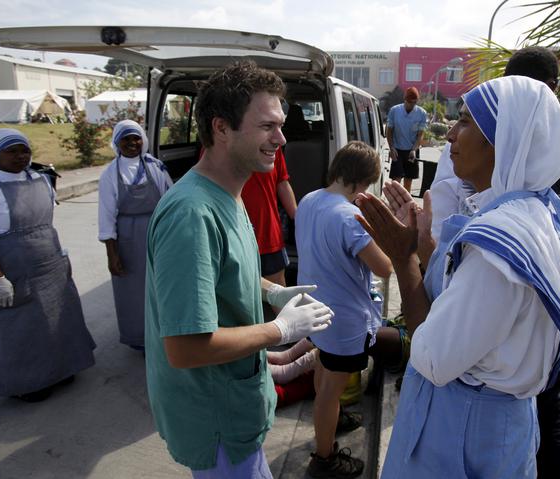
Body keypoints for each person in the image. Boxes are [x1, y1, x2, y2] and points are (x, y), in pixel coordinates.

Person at [357, 75, 560, 477]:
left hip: (464, 433)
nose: (450, 135)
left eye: (465, 122)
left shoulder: (501, 243)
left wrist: (405, 259)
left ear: (500, 139)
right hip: (490, 425)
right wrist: (428, 247)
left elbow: (432, 356)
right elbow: (467, 307)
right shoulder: (533, 212)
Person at [429, 46, 560, 479]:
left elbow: (439, 224)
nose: (453, 132)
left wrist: (426, 282)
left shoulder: (476, 129)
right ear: (554, 89)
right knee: (542, 410)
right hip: (559, 302)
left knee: (492, 408)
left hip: (475, 295)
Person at [144, 60, 334, 478]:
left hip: (237, 409)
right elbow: (185, 347)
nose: (281, 139)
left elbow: (227, 273)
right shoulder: (191, 214)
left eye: (280, 126)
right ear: (222, 128)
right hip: (217, 422)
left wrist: (269, 293)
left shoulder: (230, 194)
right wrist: (280, 329)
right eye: (267, 126)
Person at [0, 129, 96, 402]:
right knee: (20, 329)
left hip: (50, 266)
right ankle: (27, 383)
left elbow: (45, 225)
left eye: (24, 150)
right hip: (12, 271)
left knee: (56, 320)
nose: (20, 157)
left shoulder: (41, 180)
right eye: (12, 151)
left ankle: (61, 367)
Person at [296, 141, 394, 478]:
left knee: (323, 369)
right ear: (363, 181)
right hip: (344, 319)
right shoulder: (350, 217)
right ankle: (324, 458)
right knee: (329, 392)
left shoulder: (309, 199)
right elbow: (384, 267)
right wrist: (386, 230)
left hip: (315, 310)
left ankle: (332, 418)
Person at [98, 119, 173, 351]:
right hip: (128, 238)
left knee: (161, 286)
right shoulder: (110, 174)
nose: (132, 143)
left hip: (157, 233)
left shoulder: (155, 166)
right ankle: (140, 339)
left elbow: (170, 198)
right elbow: (106, 217)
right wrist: (112, 254)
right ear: (116, 143)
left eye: (136, 138)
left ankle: (165, 335)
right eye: (126, 139)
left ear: (144, 139)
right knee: (132, 291)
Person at [241, 148, 297, 286]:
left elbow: (282, 182)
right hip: (236, 238)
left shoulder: (273, 147)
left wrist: (299, 221)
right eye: (268, 125)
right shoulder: (217, 146)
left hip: (269, 236)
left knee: (279, 299)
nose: (280, 138)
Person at [386, 86, 427, 192]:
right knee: (396, 184)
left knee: (408, 184)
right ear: (405, 100)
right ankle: (393, 207)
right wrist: (391, 148)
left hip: (411, 150)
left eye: (414, 102)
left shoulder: (421, 113)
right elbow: (389, 131)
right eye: (409, 102)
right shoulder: (394, 111)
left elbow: (420, 135)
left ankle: (406, 206)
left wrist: (414, 149)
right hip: (397, 150)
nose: (411, 105)